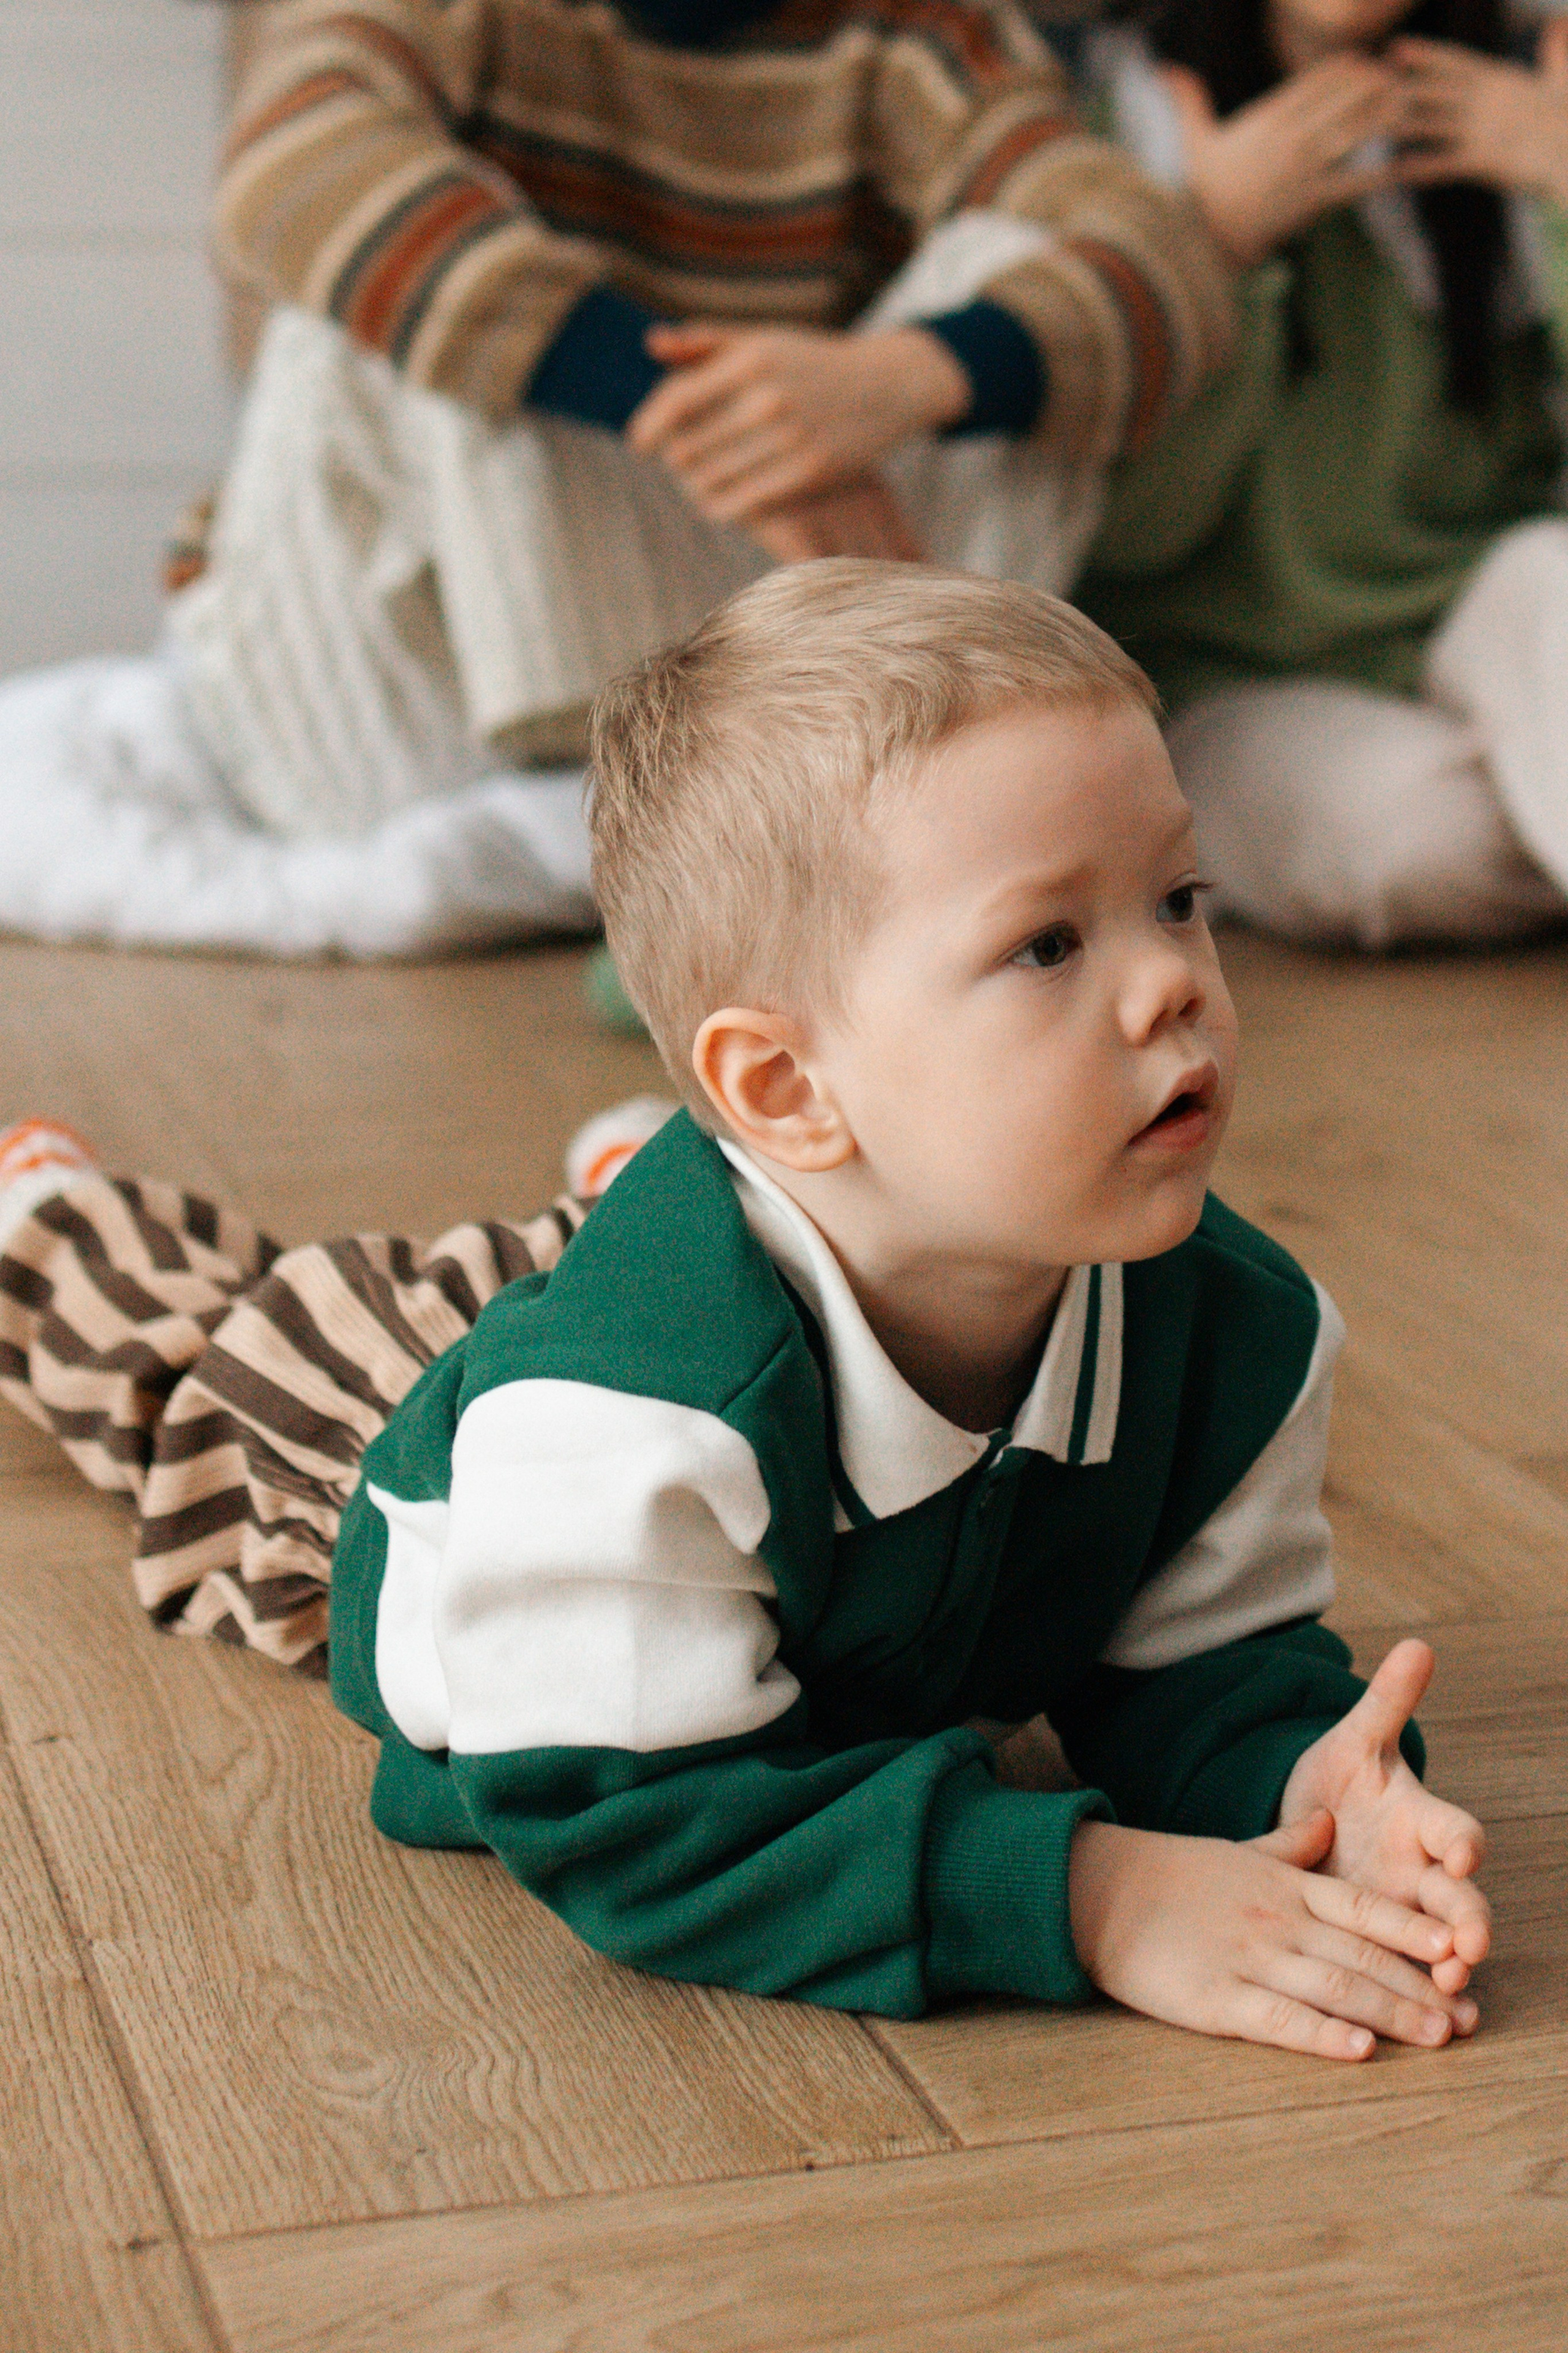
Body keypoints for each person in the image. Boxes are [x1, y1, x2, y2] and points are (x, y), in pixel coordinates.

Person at [0, 562, 1491, 2055]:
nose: (1171, 983)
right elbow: (631, 1816)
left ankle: (654, 1193)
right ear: (785, 1086)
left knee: (650, 1335)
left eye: (1176, 899)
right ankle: (49, 1222)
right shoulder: (614, 1422)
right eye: (1047, 943)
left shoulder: (1235, 1332)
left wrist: (1305, 1785)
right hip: (423, 1450)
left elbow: (1196, 1665)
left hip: (722, 1324)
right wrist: (1086, 1894)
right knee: (221, 1366)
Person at [0, 0, 1237, 957]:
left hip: (700, 635)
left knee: (1021, 255)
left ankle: (692, 821)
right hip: (394, 721)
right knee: (372, 261)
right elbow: (287, 164)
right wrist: (691, 409)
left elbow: (1167, 262)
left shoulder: (914, 32)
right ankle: (602, 835)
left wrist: (904, 378)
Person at [1072, 0, 1568, 947]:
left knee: (1555, 580)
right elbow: (1132, 534)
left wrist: (1564, 184)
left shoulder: (1507, 95)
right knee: (1425, 844)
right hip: (1225, 684)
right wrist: (1213, 254)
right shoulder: (1118, 124)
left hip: (1470, 608)